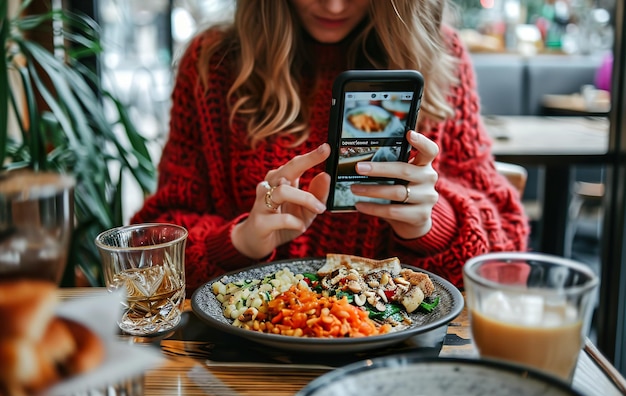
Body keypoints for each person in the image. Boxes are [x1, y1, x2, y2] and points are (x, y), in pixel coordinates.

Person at [131, 0, 529, 293]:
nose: (333, 5)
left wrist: (434, 226)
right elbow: (148, 252)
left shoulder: (440, 57)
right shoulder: (214, 63)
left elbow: (509, 260)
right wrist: (239, 243)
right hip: (247, 358)